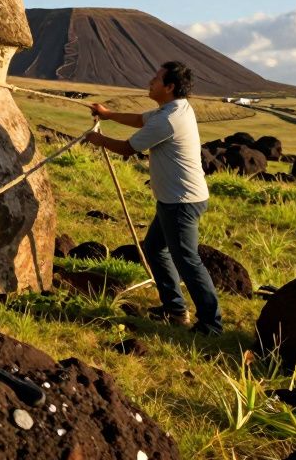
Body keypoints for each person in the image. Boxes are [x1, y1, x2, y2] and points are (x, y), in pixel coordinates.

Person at [84, 61, 222, 336]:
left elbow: (127, 148)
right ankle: (175, 310)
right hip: (176, 198)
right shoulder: (173, 109)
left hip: (181, 202)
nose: (150, 81)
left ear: (169, 87)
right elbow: (140, 120)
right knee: (156, 249)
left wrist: (98, 140)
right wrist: (108, 114)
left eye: (156, 79)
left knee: (187, 260)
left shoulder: (169, 119)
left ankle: (211, 324)